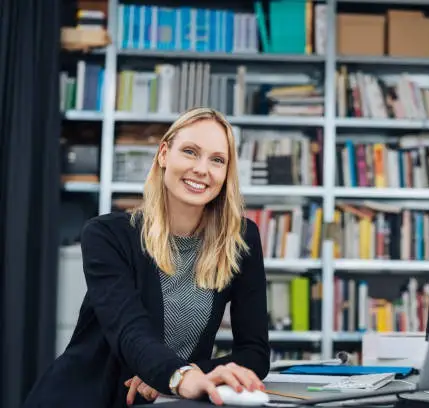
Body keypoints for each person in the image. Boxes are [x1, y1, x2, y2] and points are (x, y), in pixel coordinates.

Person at [23, 108, 270, 407]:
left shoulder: (240, 239)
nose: (202, 169)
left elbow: (255, 353)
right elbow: (130, 331)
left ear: (226, 173)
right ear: (164, 154)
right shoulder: (107, 236)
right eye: (190, 152)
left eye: (217, 160)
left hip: (162, 401)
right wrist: (175, 376)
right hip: (83, 397)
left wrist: (179, 373)